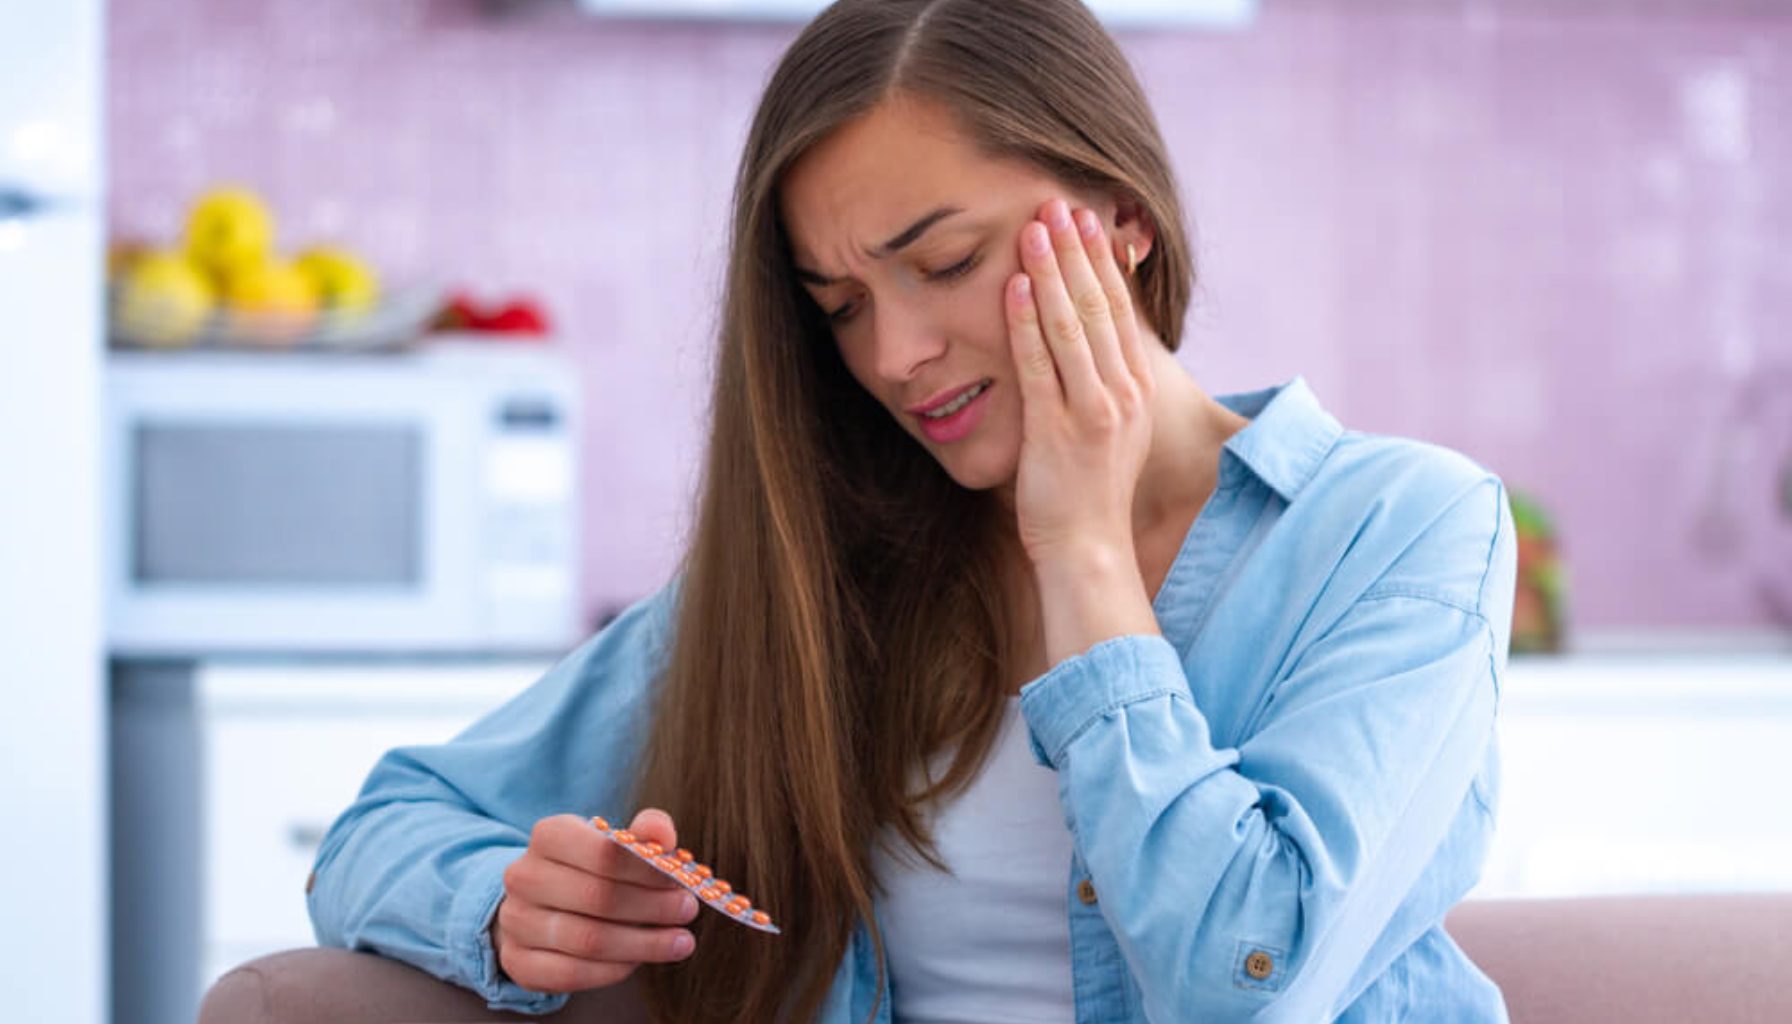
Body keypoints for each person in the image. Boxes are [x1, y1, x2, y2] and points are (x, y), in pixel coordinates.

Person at [307, 0, 1517, 1021]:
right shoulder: (837, 576)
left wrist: (1081, 552)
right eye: (838, 306)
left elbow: (1247, 980)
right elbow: (379, 829)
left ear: (1125, 218)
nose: (893, 355)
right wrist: (507, 906)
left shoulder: (1402, 527)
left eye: (942, 264)